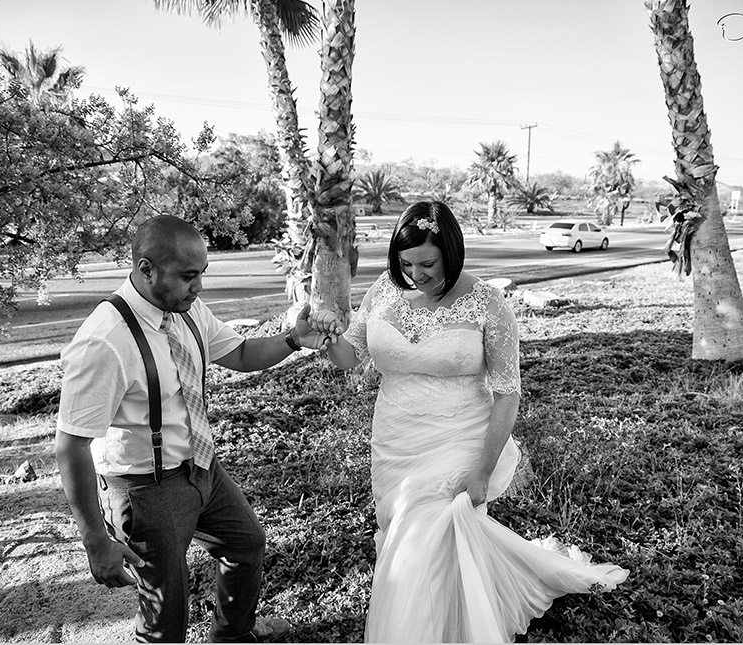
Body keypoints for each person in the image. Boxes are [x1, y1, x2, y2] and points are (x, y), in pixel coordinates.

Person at [307, 201, 629, 643]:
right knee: (415, 533)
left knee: (418, 540)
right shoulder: (383, 289)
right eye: (405, 263)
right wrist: (326, 340)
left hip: (460, 436)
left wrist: (482, 469)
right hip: (395, 439)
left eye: (427, 263)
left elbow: (507, 393)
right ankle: (453, 614)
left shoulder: (486, 304)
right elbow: (353, 356)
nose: (415, 274)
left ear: (451, 253)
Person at [55, 215, 337, 643]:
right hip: (144, 488)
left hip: (202, 468)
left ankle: (231, 636)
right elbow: (71, 445)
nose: (199, 286)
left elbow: (240, 352)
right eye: (189, 276)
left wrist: (293, 340)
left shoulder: (185, 310)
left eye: (201, 274)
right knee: (166, 614)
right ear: (146, 269)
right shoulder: (104, 341)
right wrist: (96, 541)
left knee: (246, 545)